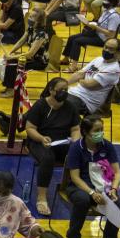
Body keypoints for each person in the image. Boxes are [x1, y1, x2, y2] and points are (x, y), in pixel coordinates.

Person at [63, 114, 120, 238]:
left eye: (101, 129)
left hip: (103, 186)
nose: (100, 133)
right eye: (97, 130)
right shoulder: (77, 148)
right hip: (80, 186)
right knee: (82, 201)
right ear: (85, 132)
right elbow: (75, 177)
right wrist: (91, 193)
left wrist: (114, 189)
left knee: (119, 205)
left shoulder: (106, 146)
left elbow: (117, 172)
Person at [24, 79, 81, 216]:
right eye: (60, 90)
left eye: (66, 90)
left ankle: (73, 187)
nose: (64, 93)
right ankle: (42, 197)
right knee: (48, 158)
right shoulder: (40, 105)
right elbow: (30, 128)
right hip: (39, 142)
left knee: (79, 151)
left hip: (62, 143)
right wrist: (41, 138)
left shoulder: (70, 107)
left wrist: (75, 140)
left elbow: (75, 128)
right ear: (51, 90)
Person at [65, 38, 120, 116]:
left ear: (118, 52)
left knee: (60, 105)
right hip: (75, 93)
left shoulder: (113, 69)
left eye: (111, 49)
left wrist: (80, 79)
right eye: (105, 47)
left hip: (87, 102)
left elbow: (89, 84)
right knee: (50, 94)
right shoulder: (98, 59)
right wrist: (64, 84)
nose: (106, 50)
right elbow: (79, 74)